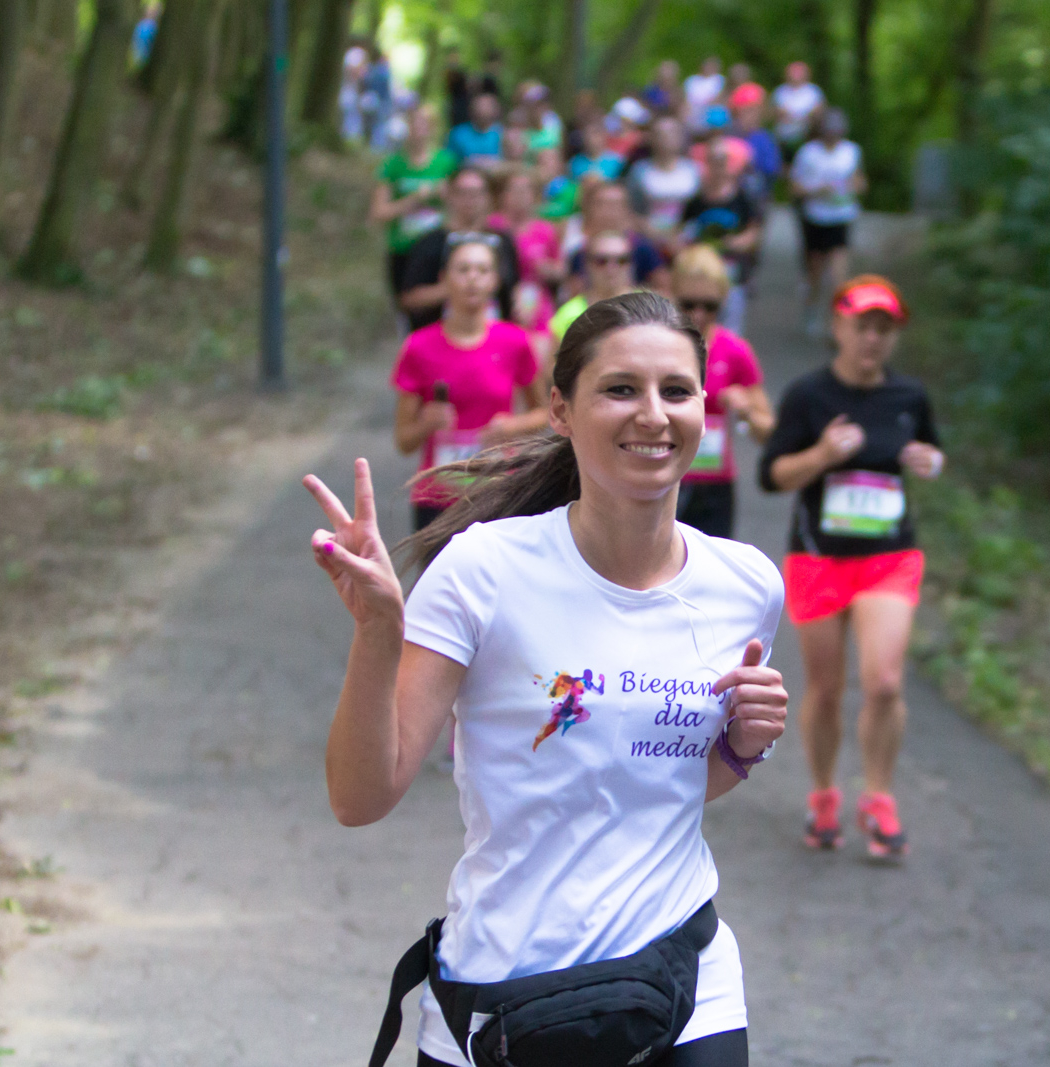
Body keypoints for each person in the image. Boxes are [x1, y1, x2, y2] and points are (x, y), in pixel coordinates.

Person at [306, 291, 788, 1067]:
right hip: (504, 998)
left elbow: (659, 786)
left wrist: (740, 747)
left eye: (676, 390)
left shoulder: (746, 584)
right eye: (620, 388)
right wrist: (377, 635)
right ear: (560, 409)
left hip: (682, 984)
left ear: (705, 404)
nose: (653, 414)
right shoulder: (484, 570)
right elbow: (360, 797)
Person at [757, 276, 944, 861]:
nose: (872, 339)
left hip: (888, 556)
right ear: (839, 326)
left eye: (884, 329)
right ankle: (823, 794)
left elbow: (930, 452)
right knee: (827, 688)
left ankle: (879, 797)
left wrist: (930, 461)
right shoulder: (809, 396)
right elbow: (772, 475)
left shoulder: (909, 397)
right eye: (863, 326)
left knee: (884, 682)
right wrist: (822, 454)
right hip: (818, 557)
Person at [388, 238, 547, 532]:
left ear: (494, 281)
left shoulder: (516, 341)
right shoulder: (418, 346)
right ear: (444, 279)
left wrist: (513, 426)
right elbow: (404, 441)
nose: (472, 278)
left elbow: (545, 413)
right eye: (463, 270)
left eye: (482, 270)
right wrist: (426, 424)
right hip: (438, 498)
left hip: (498, 491)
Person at [671, 246, 774, 540]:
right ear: (673, 296)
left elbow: (769, 432)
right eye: (688, 304)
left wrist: (747, 411)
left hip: (713, 485)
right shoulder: (657, 347)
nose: (698, 314)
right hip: (662, 475)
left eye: (710, 306)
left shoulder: (735, 351)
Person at [399, 168, 520, 330]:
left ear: (489, 197)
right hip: (442, 337)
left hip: (496, 336)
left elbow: (514, 288)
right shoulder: (430, 242)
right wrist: (456, 288)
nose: (470, 200)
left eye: (477, 193)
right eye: (463, 193)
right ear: (450, 195)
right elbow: (408, 299)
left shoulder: (503, 241)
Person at [370, 106, 456, 308]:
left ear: (433, 128)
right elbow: (379, 212)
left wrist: (446, 195)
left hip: (438, 248)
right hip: (403, 249)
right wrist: (413, 199)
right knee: (405, 305)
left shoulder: (447, 163)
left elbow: (463, 202)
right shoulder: (392, 165)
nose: (418, 129)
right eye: (414, 123)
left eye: (424, 124)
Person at [791, 108, 865, 337]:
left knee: (839, 275)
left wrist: (851, 188)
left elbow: (861, 182)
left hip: (841, 217)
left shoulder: (851, 151)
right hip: (815, 218)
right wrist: (818, 190)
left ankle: (839, 323)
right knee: (815, 272)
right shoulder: (807, 153)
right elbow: (795, 187)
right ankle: (811, 309)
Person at [680, 139, 764, 335]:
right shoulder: (697, 199)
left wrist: (738, 242)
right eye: (713, 160)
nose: (718, 167)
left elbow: (754, 231)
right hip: (701, 273)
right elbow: (682, 230)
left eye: (722, 160)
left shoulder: (743, 197)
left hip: (733, 272)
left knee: (730, 327)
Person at [487, 169, 566, 351]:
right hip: (498, 297)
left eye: (525, 191)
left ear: (534, 196)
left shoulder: (544, 230)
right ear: (503, 195)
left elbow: (560, 271)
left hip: (536, 299)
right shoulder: (492, 226)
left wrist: (546, 269)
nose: (520, 197)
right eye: (514, 190)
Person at [567, 181, 669, 292]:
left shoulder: (643, 249)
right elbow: (575, 291)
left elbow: (662, 288)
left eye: (615, 205)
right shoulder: (581, 252)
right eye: (601, 204)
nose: (608, 212)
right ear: (589, 210)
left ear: (627, 210)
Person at [627, 116, 700, 255]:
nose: (667, 138)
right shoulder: (640, 171)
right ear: (651, 138)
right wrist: (647, 230)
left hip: (688, 240)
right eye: (661, 134)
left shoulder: (693, 170)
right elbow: (630, 208)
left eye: (672, 133)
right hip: (649, 240)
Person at [549, 230, 637, 341]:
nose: (612, 268)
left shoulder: (648, 308)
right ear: (587, 265)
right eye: (602, 261)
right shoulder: (568, 315)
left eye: (621, 260)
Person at [728, 84, 782, 202]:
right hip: (731, 198)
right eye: (745, 111)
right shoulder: (729, 136)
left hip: (758, 197)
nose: (750, 115)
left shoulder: (766, 138)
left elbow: (772, 169)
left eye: (753, 110)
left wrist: (750, 159)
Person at [773, 61, 826, 162]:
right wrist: (804, 115)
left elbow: (819, 113)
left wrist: (792, 115)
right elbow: (777, 113)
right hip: (785, 138)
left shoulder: (814, 91)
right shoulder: (780, 92)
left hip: (808, 137)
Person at [447, 93, 504, 169]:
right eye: (480, 106)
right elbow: (450, 160)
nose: (483, 110)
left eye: (487, 106)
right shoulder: (458, 133)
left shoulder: (503, 133)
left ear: (496, 110)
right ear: (471, 109)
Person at [684, 56, 726, 133]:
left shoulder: (719, 79)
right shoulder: (692, 80)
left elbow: (719, 97)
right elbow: (687, 98)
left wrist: (703, 107)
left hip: (711, 109)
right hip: (693, 108)